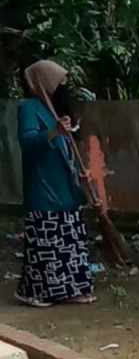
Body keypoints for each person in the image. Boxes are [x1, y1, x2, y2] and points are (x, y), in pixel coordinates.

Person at [16, 60, 95, 307]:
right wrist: (53, 133)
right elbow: (28, 144)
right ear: (45, 84)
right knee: (47, 245)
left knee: (70, 242)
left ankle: (70, 290)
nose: (63, 88)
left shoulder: (53, 110)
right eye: (59, 84)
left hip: (64, 189)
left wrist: (78, 175)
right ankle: (38, 292)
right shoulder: (30, 109)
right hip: (44, 190)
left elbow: (65, 152)